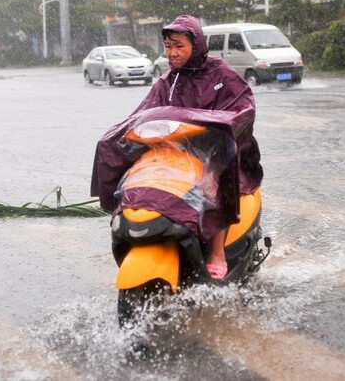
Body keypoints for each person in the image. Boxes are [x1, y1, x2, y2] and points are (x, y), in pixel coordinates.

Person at [91, 14, 263, 280]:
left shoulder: (222, 75)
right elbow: (145, 114)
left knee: (212, 181)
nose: (172, 53)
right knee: (137, 173)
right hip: (175, 152)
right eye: (168, 46)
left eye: (179, 46)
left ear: (196, 45)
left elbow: (243, 109)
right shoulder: (167, 82)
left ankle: (217, 252)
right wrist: (124, 134)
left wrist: (219, 124)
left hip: (215, 152)